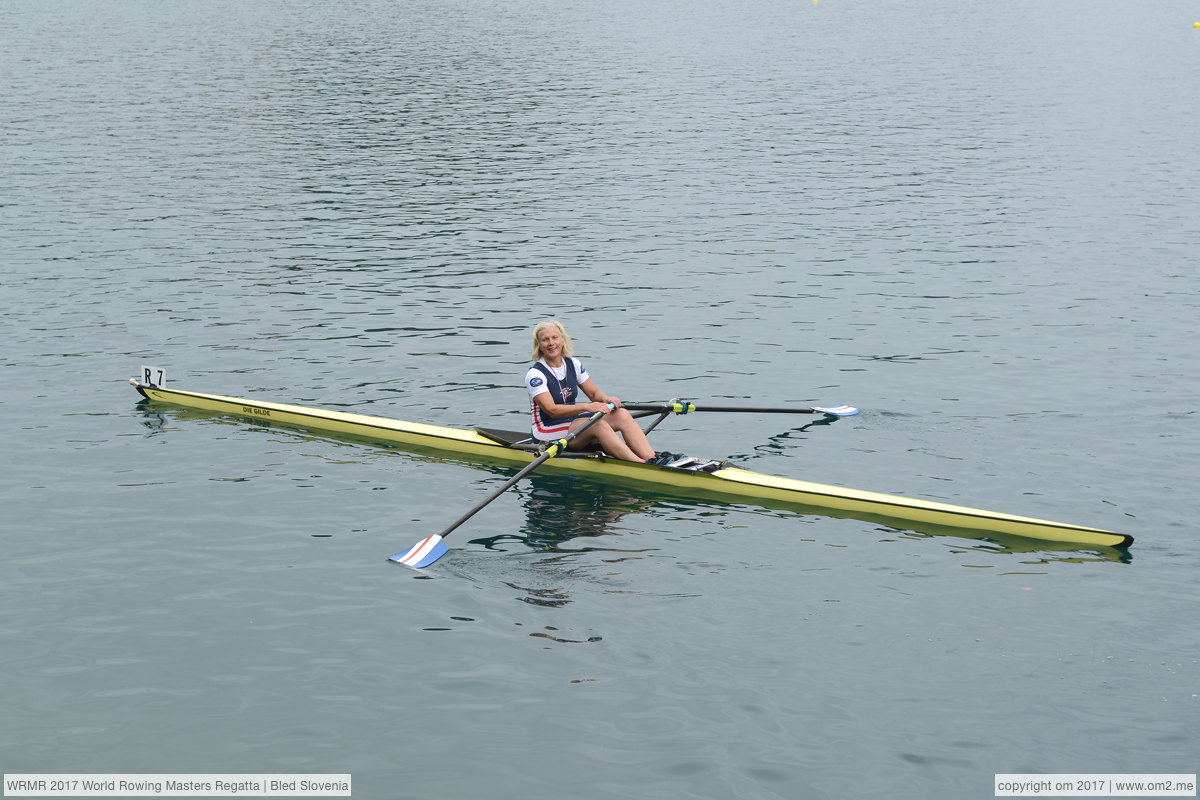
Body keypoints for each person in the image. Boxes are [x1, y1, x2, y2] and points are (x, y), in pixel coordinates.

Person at [524, 319, 679, 464]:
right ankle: (640, 465)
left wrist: (606, 399)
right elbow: (552, 410)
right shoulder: (535, 375)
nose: (551, 343)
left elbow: (593, 394)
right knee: (597, 425)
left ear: (562, 340)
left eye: (555, 338)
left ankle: (652, 458)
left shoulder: (574, 364)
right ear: (539, 345)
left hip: (571, 423)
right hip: (546, 431)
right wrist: (587, 407)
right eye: (545, 340)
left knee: (622, 414)